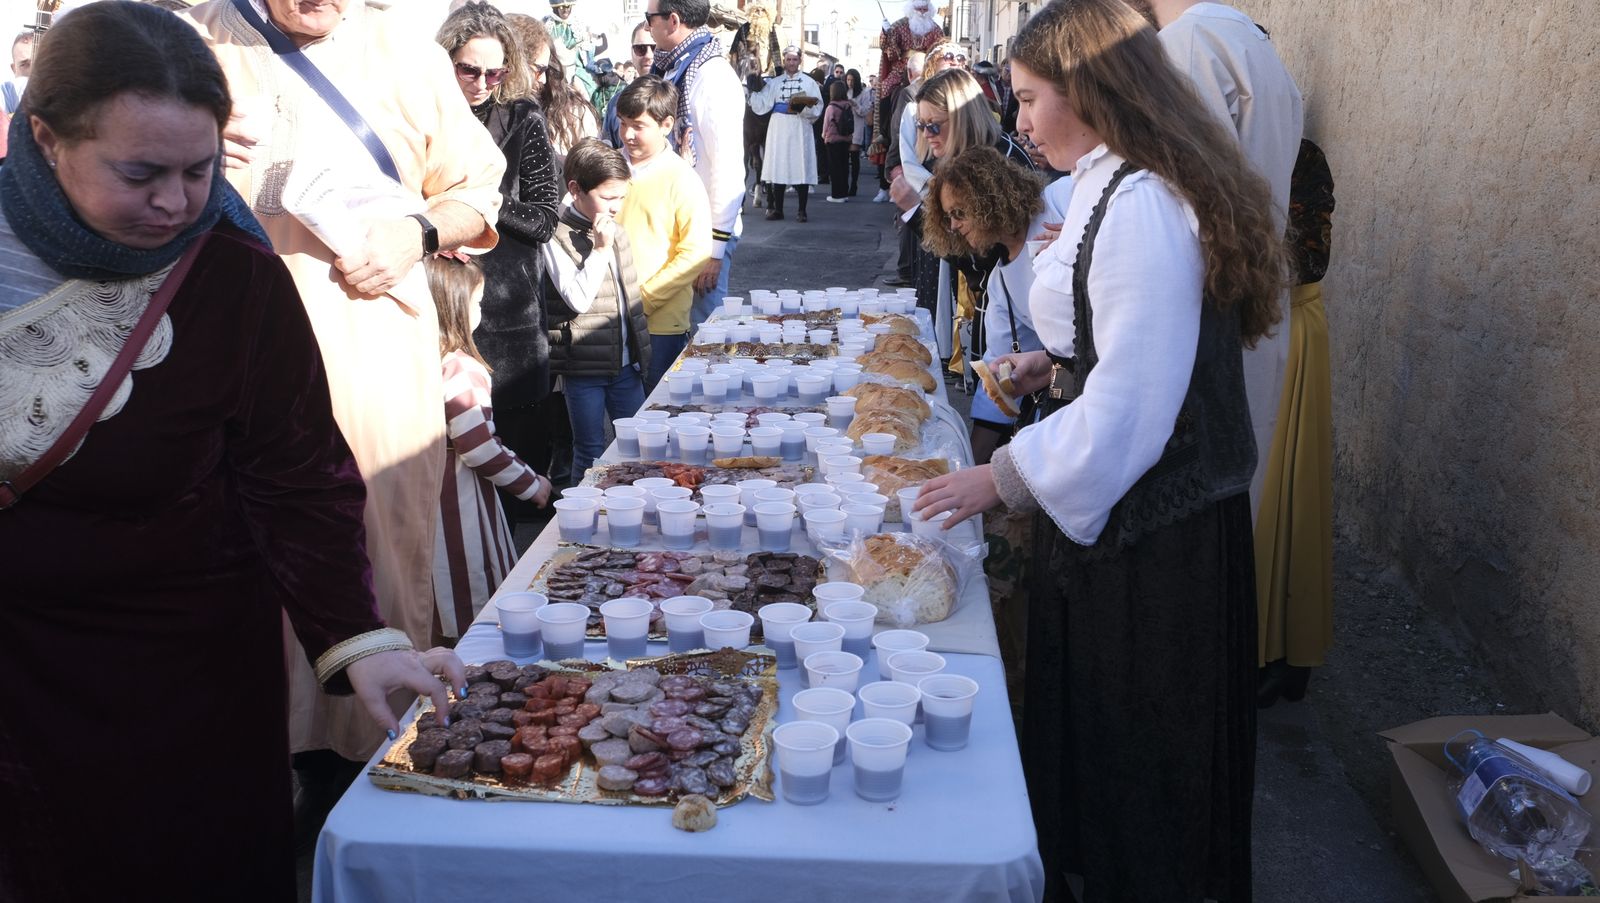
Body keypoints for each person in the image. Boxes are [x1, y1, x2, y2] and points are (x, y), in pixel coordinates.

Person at [0, 5, 466, 898]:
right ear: (46, 138)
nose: (178, 202)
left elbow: (299, 479)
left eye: (200, 169)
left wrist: (356, 637)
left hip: (188, 679)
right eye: (141, 174)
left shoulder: (233, 272)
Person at [912, 1, 1287, 899]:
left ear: (1090, 92)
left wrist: (998, 477)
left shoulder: (1142, 206)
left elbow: (1130, 408)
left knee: (1146, 768)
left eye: (1031, 97)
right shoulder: (1111, 184)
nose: (1021, 119)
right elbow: (1126, 345)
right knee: (1116, 764)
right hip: (1136, 522)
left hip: (1158, 540)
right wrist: (1052, 362)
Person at [189, 0, 506, 813]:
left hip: (375, 350)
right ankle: (262, 763)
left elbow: (479, 192)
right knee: (239, 557)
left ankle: (369, 762)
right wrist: (183, 150)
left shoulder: (407, 53)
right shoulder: (191, 37)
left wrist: (420, 234)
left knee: (374, 546)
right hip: (228, 348)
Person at [1133, 0, 1304, 516]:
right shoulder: (1252, 42)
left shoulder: (1187, 45)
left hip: (1210, 313)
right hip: (1252, 300)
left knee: (1202, 513)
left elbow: (1189, 204)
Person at [437, 1, 561, 521]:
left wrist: (481, 202)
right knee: (459, 480)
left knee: (524, 497)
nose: (483, 82)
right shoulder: (427, 114)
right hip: (444, 311)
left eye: (496, 70)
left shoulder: (521, 117)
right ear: (446, 61)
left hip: (510, 313)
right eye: (470, 69)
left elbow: (542, 220)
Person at [428, 253, 551, 640]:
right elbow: (479, 447)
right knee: (470, 587)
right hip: (458, 498)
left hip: (421, 490)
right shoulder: (460, 367)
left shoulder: (417, 359)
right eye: (477, 302)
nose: (481, 310)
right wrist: (532, 484)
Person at [1255, 138, 1335, 706]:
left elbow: (1308, 259)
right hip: (1253, 336)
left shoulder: (1298, 156)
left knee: (1287, 498)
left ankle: (1280, 653)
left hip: (1288, 332)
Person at [543, 139, 652, 474]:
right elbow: (577, 298)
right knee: (590, 452)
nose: (617, 206)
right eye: (608, 198)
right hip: (583, 368)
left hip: (624, 364)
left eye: (621, 196)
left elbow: (627, 295)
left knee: (636, 446)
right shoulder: (555, 235)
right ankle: (580, 524)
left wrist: (638, 351)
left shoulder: (613, 228)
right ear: (575, 189)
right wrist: (600, 250)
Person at [645, 0, 746, 330]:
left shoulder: (711, 75)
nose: (648, 27)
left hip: (703, 234)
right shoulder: (676, 67)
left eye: (650, 18)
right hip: (672, 226)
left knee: (704, 337)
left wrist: (714, 251)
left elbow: (728, 168)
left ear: (672, 20)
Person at [613, 75, 711, 393]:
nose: (628, 134)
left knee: (654, 412)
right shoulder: (607, 167)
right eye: (622, 122)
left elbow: (695, 252)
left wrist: (644, 300)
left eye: (638, 126)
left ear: (666, 124)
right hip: (606, 318)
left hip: (660, 322)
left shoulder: (681, 178)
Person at [882, 45, 959, 284]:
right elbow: (905, 148)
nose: (928, 133)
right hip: (927, 191)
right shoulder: (913, 103)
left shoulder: (967, 109)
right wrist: (931, 189)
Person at [747, 45, 821, 222]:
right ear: (784, 60)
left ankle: (802, 210)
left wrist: (803, 107)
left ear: (799, 61)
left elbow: (817, 105)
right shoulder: (775, 82)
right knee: (778, 166)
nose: (791, 63)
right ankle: (777, 209)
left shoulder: (809, 83)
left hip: (799, 126)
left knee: (800, 166)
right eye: (788, 59)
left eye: (794, 60)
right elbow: (763, 101)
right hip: (778, 128)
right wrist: (750, 92)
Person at [876, 0, 944, 150]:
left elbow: (940, 52)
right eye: (918, 8)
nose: (921, 12)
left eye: (924, 9)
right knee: (886, 86)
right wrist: (886, 34)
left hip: (926, 67)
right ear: (912, 9)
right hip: (903, 67)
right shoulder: (899, 26)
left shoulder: (936, 30)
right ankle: (884, 131)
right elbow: (891, 54)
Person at [601, 21, 654, 147]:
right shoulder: (615, 103)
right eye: (640, 49)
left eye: (654, 47)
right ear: (632, 52)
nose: (648, 55)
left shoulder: (678, 96)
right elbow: (607, 150)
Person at [821, 80, 854, 203]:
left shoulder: (831, 107)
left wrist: (824, 136)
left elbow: (826, 124)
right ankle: (844, 193)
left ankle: (836, 195)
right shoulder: (847, 105)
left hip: (833, 140)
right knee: (844, 166)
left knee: (834, 168)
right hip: (846, 139)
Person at [845, 67, 872, 196]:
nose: (849, 82)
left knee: (854, 156)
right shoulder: (844, 91)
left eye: (852, 80)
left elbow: (865, 111)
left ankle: (854, 184)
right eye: (848, 79)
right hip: (844, 126)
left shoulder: (864, 93)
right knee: (844, 158)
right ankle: (844, 184)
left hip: (857, 126)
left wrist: (855, 105)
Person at [2, 31, 31, 114]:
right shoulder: (5, 93)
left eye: (40, 63)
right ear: (14, 69)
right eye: (25, 65)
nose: (34, 71)